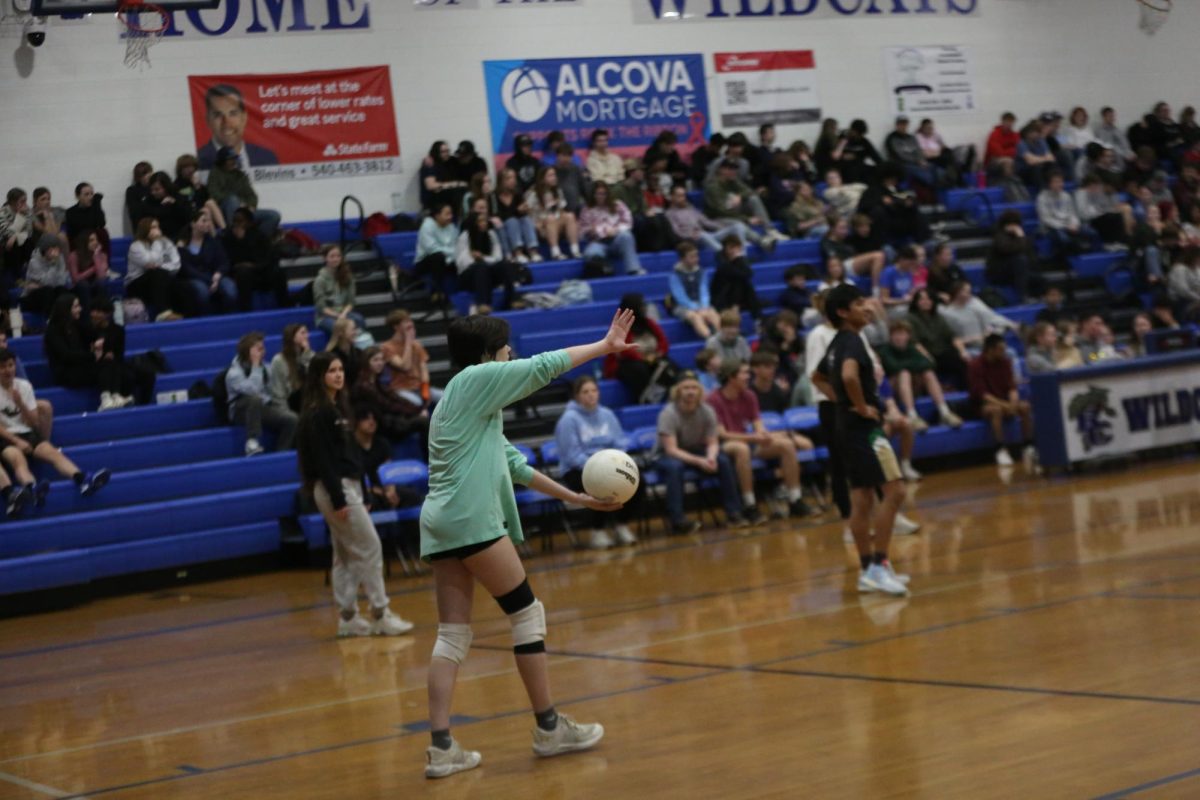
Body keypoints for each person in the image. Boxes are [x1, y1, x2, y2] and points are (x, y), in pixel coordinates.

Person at [418, 312, 627, 778]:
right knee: (527, 615)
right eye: (506, 346)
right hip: (472, 522)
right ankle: (549, 728)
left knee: (452, 634)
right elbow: (543, 366)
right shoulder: (475, 379)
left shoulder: (465, 403)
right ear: (489, 354)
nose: (511, 352)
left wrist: (573, 497)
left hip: (442, 524)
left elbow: (512, 464)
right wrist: (604, 344)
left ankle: (441, 748)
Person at [296, 351, 415, 638]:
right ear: (319, 376)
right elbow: (323, 461)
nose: (338, 374)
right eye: (331, 370)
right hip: (335, 487)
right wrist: (339, 499)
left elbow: (350, 457)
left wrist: (363, 491)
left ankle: (348, 617)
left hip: (348, 485)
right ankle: (380, 613)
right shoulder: (318, 412)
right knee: (370, 546)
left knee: (346, 554)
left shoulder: (337, 406)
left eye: (340, 369)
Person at [811, 284, 909, 596]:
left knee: (863, 499)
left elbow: (817, 377)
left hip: (846, 425)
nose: (866, 308)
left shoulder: (838, 342)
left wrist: (840, 401)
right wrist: (862, 405)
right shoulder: (851, 341)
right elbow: (851, 376)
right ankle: (879, 566)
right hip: (863, 428)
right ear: (842, 312)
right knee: (895, 492)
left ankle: (869, 570)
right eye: (858, 303)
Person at [0, 348, 110, 508]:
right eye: (3, 367)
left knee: (52, 452)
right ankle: (32, 488)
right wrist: (16, 441)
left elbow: (34, 423)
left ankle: (83, 479)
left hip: (26, 432)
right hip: (6, 437)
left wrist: (20, 403)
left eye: (10, 365)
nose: (7, 370)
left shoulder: (23, 386)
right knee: (18, 460)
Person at [709, 361, 814, 519]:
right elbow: (722, 434)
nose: (748, 377)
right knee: (741, 449)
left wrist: (762, 434)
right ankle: (749, 504)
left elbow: (757, 423)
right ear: (731, 378)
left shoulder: (749, 395)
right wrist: (753, 437)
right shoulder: (714, 399)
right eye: (744, 373)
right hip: (723, 445)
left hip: (748, 440)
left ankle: (795, 499)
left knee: (786, 445)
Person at [554, 376, 645, 549]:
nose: (591, 395)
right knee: (601, 484)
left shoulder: (607, 414)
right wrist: (597, 466)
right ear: (577, 396)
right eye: (585, 392)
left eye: (594, 390)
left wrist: (616, 462)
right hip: (577, 469)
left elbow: (620, 442)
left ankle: (621, 524)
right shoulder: (568, 420)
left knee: (637, 480)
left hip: (610, 465)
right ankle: (598, 530)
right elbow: (572, 455)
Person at [654, 371, 745, 531]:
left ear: (700, 390)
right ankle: (678, 520)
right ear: (678, 391)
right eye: (686, 388)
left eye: (694, 388)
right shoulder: (668, 413)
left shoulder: (707, 411)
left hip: (695, 450)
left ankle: (734, 513)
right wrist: (700, 461)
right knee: (675, 467)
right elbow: (672, 449)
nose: (690, 391)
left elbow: (712, 442)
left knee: (722, 460)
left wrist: (710, 458)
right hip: (666, 455)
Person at [877, 319, 963, 433]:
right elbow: (894, 367)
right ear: (891, 336)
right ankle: (911, 415)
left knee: (928, 373)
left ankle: (944, 411)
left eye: (902, 334)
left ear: (908, 335)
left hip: (913, 387)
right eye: (896, 334)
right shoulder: (884, 350)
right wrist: (913, 365)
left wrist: (909, 365)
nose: (899, 337)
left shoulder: (912, 348)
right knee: (904, 373)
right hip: (893, 392)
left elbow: (929, 363)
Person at [969, 334, 1036, 470]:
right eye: (1001, 349)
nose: (1004, 352)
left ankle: (1028, 445)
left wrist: (1013, 402)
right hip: (982, 405)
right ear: (990, 350)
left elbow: (1011, 388)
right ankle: (1000, 448)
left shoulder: (1006, 362)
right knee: (996, 410)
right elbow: (983, 395)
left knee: (1025, 407)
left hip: (1004, 401)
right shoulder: (975, 365)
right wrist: (1005, 405)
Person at [226, 331, 298, 456]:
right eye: (259, 349)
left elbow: (272, 391)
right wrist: (255, 365)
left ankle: (281, 455)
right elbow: (253, 389)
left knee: (291, 419)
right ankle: (252, 442)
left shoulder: (265, 367)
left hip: (262, 407)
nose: (263, 352)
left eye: (263, 348)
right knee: (254, 399)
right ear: (248, 351)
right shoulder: (234, 373)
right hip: (240, 411)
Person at [351, 347, 429, 447]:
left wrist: (419, 409)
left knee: (422, 417)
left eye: (381, 359)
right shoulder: (364, 386)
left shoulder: (376, 382)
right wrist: (417, 412)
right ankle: (430, 459)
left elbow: (396, 398)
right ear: (366, 362)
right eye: (375, 360)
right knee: (423, 422)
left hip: (390, 420)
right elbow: (387, 405)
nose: (380, 363)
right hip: (382, 426)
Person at [602, 293, 672, 404]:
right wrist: (644, 358)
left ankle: (664, 396)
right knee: (639, 369)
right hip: (626, 363)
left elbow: (663, 342)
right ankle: (645, 400)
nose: (644, 308)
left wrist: (657, 354)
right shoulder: (620, 326)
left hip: (651, 358)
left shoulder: (649, 322)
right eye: (641, 306)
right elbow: (623, 350)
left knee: (668, 364)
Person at [703, 160, 787, 246]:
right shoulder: (713, 187)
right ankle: (761, 240)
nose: (734, 172)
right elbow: (720, 211)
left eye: (735, 169)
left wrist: (740, 196)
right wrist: (746, 219)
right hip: (718, 217)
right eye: (730, 169)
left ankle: (770, 230)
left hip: (734, 212)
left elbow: (750, 192)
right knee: (738, 224)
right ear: (722, 170)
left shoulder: (733, 181)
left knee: (753, 199)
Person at [221, 206, 291, 311]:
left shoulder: (259, 236)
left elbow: (269, 258)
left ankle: (285, 307)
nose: (237, 225)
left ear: (249, 223)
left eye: (240, 221)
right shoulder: (228, 238)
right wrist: (240, 242)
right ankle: (246, 311)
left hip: (261, 273)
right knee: (243, 273)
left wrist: (253, 266)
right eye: (235, 221)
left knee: (279, 273)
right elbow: (229, 262)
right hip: (241, 277)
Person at [196, 83, 279, 170]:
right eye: (218, 115)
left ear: (244, 118)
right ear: (208, 120)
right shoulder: (198, 161)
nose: (226, 123)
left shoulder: (267, 158)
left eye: (233, 113)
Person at [206, 147, 281, 238]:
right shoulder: (215, 174)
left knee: (273, 215)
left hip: (244, 211)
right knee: (232, 200)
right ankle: (234, 236)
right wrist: (237, 202)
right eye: (230, 159)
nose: (233, 161)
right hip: (223, 213)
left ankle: (257, 241)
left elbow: (252, 196)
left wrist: (249, 205)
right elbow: (213, 194)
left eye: (234, 159)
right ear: (222, 160)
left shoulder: (240, 175)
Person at [664, 185, 763, 252]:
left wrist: (723, 226)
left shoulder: (691, 209)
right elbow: (676, 232)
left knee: (737, 226)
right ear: (672, 197)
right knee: (702, 235)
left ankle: (741, 255)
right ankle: (724, 255)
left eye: (684, 195)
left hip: (708, 236)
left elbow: (707, 222)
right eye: (680, 196)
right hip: (693, 240)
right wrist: (689, 235)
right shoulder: (669, 214)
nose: (683, 198)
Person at [455, 211, 516, 315]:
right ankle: (483, 304)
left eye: (485, 221)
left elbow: (497, 257)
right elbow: (461, 263)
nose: (484, 223)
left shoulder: (491, 234)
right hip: (468, 276)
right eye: (480, 221)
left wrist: (482, 257)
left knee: (504, 265)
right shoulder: (464, 236)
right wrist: (472, 257)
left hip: (487, 270)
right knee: (481, 267)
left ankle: (512, 299)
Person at [907, 288, 969, 388]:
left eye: (928, 299)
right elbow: (915, 343)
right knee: (926, 365)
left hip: (942, 352)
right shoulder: (910, 318)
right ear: (916, 302)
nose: (925, 302)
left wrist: (962, 351)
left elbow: (952, 336)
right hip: (924, 354)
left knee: (962, 361)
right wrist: (928, 357)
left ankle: (964, 390)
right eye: (922, 299)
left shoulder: (938, 317)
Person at [579, 182, 644, 276]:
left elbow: (628, 222)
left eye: (603, 193)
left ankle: (634, 269)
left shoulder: (618, 205)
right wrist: (592, 231)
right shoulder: (587, 209)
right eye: (598, 193)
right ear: (593, 194)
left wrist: (616, 230)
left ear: (607, 194)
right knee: (590, 254)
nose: (601, 196)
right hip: (598, 242)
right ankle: (607, 269)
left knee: (626, 236)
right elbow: (582, 231)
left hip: (617, 240)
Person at [179, 210, 237, 316]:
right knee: (202, 292)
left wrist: (218, 274)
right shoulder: (183, 243)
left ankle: (228, 320)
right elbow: (186, 269)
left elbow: (224, 261)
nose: (208, 224)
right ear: (193, 224)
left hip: (214, 275)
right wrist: (209, 280)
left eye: (209, 221)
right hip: (194, 278)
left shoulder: (213, 241)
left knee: (231, 290)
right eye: (203, 221)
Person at [380, 309, 438, 412]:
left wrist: (425, 390)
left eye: (410, 320)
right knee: (417, 403)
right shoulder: (386, 347)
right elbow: (405, 366)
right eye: (405, 322)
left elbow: (424, 370)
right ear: (396, 327)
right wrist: (408, 341)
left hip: (419, 387)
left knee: (446, 399)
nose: (410, 324)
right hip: (401, 389)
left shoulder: (416, 345)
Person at [126, 217, 183, 320]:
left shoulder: (166, 242)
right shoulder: (136, 246)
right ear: (145, 229)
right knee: (158, 274)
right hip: (136, 284)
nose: (157, 230)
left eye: (157, 227)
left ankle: (187, 317)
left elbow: (176, 264)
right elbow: (151, 261)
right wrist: (157, 242)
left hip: (159, 279)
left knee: (184, 285)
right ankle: (164, 312)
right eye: (153, 227)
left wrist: (160, 266)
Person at [939, 281, 1018, 356]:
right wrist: (976, 338)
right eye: (967, 292)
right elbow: (952, 339)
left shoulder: (974, 303)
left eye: (970, 292)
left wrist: (1009, 324)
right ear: (957, 293)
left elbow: (990, 317)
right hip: (968, 347)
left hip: (986, 344)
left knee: (1010, 353)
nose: (969, 295)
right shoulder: (946, 313)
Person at [526, 167, 582, 261]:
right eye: (550, 175)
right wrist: (537, 224)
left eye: (554, 175)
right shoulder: (533, 193)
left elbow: (562, 211)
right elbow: (528, 214)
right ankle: (555, 252)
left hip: (556, 224)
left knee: (570, 216)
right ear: (542, 179)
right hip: (540, 227)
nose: (554, 178)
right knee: (550, 218)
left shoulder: (557, 191)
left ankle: (575, 250)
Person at [820, 215, 886, 290]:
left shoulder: (846, 239)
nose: (845, 231)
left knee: (881, 262)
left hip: (851, 262)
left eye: (846, 228)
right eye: (842, 228)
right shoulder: (826, 242)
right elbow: (835, 260)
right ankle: (876, 290)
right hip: (841, 266)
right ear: (832, 229)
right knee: (878, 256)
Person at [669, 241, 719, 338]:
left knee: (713, 314)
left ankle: (720, 336)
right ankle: (710, 338)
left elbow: (704, 291)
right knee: (696, 317)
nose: (696, 259)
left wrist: (704, 306)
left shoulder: (701, 272)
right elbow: (680, 296)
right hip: (682, 306)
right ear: (682, 259)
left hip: (701, 304)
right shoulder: (675, 275)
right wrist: (696, 308)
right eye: (691, 256)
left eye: (696, 256)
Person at [313, 244, 365, 336]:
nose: (336, 259)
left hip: (343, 313)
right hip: (326, 316)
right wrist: (338, 316)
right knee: (339, 326)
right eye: (332, 256)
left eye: (338, 256)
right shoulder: (320, 280)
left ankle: (359, 347)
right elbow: (321, 307)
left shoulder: (348, 277)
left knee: (359, 320)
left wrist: (343, 314)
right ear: (325, 258)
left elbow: (351, 302)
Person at [985, 210, 1037, 301]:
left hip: (1017, 271)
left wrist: (1021, 238)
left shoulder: (1022, 237)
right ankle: (1023, 297)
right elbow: (1008, 249)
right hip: (999, 272)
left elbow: (1030, 253)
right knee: (1020, 260)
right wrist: (1020, 237)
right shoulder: (999, 236)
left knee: (1039, 279)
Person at [492, 168, 540, 263]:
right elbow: (497, 215)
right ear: (501, 181)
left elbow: (522, 212)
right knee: (512, 221)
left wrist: (524, 209)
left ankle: (533, 251)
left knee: (526, 219)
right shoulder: (494, 196)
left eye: (514, 177)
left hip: (518, 223)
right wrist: (516, 210)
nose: (513, 180)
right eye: (509, 178)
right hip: (504, 224)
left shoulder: (518, 193)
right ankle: (518, 253)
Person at [1037, 170, 1090, 256]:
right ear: (1049, 184)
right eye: (1056, 182)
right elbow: (1046, 219)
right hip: (1051, 228)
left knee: (1090, 232)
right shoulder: (1042, 197)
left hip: (1068, 225)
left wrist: (1074, 224)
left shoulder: (1066, 196)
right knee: (1063, 238)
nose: (1060, 184)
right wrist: (1065, 226)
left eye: (1061, 181)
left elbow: (1073, 214)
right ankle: (1065, 262)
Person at [710, 234, 761, 318]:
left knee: (745, 282)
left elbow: (748, 273)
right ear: (725, 249)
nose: (734, 250)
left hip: (736, 297)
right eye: (731, 247)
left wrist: (739, 259)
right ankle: (757, 317)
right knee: (741, 281)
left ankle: (756, 317)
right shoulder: (723, 263)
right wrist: (739, 259)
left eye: (736, 247)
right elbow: (744, 273)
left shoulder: (739, 261)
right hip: (723, 298)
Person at [885, 115, 943, 189]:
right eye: (901, 124)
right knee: (921, 172)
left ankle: (943, 185)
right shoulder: (892, 138)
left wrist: (921, 160)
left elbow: (918, 150)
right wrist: (917, 161)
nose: (903, 126)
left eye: (905, 124)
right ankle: (935, 185)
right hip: (901, 164)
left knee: (935, 167)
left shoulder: (911, 137)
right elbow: (901, 155)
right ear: (897, 125)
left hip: (917, 162)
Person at [1075, 174, 1134, 245]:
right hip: (1089, 221)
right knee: (1112, 217)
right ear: (1090, 185)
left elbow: (1099, 208)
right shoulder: (1081, 194)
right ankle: (1110, 242)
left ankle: (1122, 240)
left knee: (1117, 215)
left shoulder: (1093, 193)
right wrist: (1100, 211)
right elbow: (1084, 215)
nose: (1098, 188)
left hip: (1098, 216)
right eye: (1096, 186)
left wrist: (1102, 211)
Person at [22, 234, 71, 316]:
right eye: (53, 248)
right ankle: (49, 320)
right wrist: (53, 264)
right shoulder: (34, 262)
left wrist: (40, 285)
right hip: (32, 296)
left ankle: (64, 319)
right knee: (47, 290)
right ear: (45, 249)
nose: (56, 251)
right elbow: (47, 283)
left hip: (49, 290)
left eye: (57, 248)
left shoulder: (60, 258)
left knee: (62, 290)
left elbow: (61, 281)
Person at [173, 153, 225, 230]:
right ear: (180, 169)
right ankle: (214, 236)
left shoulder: (197, 183)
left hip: (201, 210)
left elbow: (205, 200)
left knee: (210, 203)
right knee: (205, 210)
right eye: (186, 167)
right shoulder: (176, 186)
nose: (190, 170)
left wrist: (198, 187)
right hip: (188, 213)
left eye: (192, 167)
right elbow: (182, 204)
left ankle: (224, 229)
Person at [268, 323, 312, 411]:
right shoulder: (279, 360)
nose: (307, 336)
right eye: (303, 333)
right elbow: (277, 390)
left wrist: (307, 354)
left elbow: (314, 375)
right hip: (290, 401)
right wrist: (285, 412)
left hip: (308, 399)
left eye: (307, 333)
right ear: (292, 337)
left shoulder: (310, 355)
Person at [142, 172, 194, 242]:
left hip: (180, 236)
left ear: (166, 187)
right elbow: (149, 219)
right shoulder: (149, 201)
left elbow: (188, 216)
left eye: (157, 189)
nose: (153, 192)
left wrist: (174, 204)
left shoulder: (177, 197)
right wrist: (162, 206)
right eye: (151, 190)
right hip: (158, 238)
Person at [420, 141, 468, 216]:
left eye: (447, 151)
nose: (446, 154)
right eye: (443, 152)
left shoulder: (450, 163)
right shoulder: (430, 164)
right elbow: (431, 185)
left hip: (446, 196)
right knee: (457, 191)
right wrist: (454, 184)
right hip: (434, 200)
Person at [67, 229, 109, 309]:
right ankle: (87, 317)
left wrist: (96, 256)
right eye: (91, 240)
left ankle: (101, 313)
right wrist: (93, 269)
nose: (95, 242)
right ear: (84, 242)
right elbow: (76, 279)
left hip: (95, 284)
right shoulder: (74, 256)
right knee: (84, 285)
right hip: (79, 287)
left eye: (96, 239)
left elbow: (102, 276)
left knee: (101, 284)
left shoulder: (102, 255)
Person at [878, 245, 925, 315]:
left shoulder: (909, 272)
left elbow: (909, 292)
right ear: (901, 260)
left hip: (905, 304)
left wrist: (914, 292)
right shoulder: (888, 272)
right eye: (909, 263)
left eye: (912, 264)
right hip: (892, 308)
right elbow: (884, 300)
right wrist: (903, 301)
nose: (911, 266)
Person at [65, 182, 108, 251]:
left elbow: (102, 223)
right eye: (86, 194)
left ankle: (104, 260)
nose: (90, 197)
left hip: (94, 241)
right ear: (78, 196)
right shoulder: (70, 212)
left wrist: (97, 204)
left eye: (92, 194)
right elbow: (84, 227)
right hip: (80, 242)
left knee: (103, 232)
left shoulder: (95, 209)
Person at [325, 317, 363, 388]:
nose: (355, 332)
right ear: (341, 333)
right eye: (352, 329)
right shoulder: (331, 356)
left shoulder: (358, 353)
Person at [124, 162, 154, 234]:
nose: (148, 176)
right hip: (141, 230)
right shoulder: (132, 191)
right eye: (144, 174)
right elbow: (135, 214)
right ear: (138, 177)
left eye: (149, 172)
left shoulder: (156, 188)